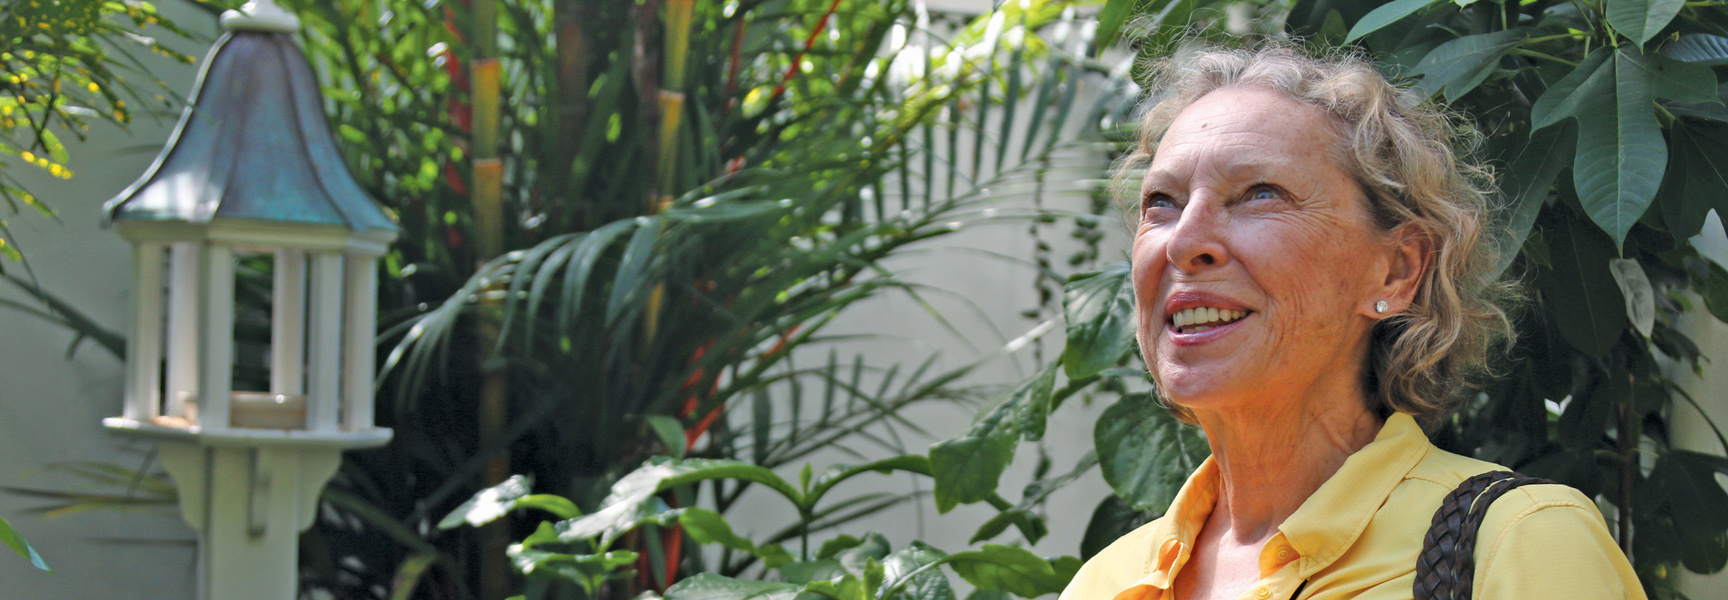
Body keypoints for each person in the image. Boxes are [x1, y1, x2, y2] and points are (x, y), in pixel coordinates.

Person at [1059, 43, 1645, 600]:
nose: (1184, 241)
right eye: (1162, 202)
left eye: (1259, 194)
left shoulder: (1518, 543)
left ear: (1395, 271)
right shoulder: (1105, 582)